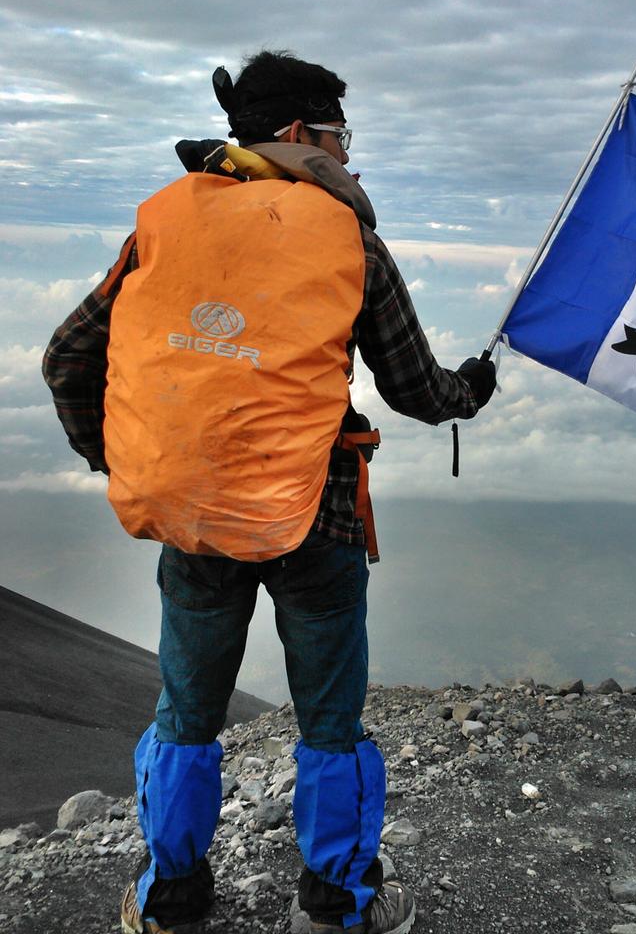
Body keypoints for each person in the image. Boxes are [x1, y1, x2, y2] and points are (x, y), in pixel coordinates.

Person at [42, 50, 496, 934]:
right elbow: (416, 390)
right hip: (314, 516)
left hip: (195, 515)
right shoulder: (346, 238)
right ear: (297, 135)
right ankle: (336, 902)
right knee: (330, 718)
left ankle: (170, 899)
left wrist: (122, 456)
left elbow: (67, 357)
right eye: (337, 134)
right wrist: (470, 390)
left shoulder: (163, 225)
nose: (346, 153)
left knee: (186, 713)